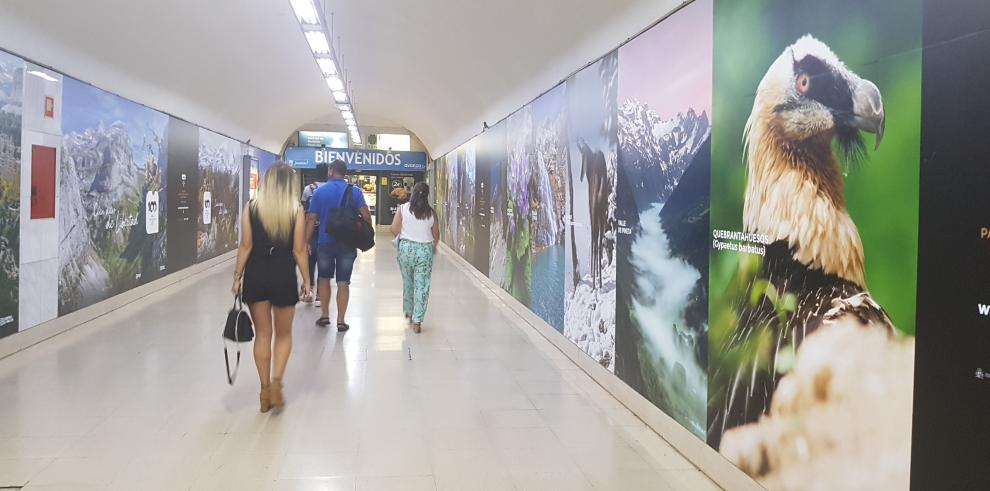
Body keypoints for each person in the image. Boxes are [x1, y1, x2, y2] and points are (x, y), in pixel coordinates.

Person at [232, 163, 311, 413]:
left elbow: (245, 245)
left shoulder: (251, 208)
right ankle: (277, 383)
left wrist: (237, 277)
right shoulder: (295, 210)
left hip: (256, 273)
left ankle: (264, 390)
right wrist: (307, 279)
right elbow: (299, 250)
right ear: (289, 184)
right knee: (284, 334)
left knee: (263, 334)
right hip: (282, 273)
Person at [306, 159, 372, 331]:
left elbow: (311, 218)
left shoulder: (319, 192)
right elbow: (366, 215)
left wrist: (305, 241)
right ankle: (341, 321)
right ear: (345, 173)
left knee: (324, 278)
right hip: (347, 244)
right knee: (343, 282)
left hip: (325, 242)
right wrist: (366, 232)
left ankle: (325, 315)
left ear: (330, 171)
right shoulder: (355, 191)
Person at [389, 182, 439, 333]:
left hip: (406, 250)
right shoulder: (431, 213)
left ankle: (409, 311)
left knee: (408, 282)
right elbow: (436, 235)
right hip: (424, 251)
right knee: (422, 286)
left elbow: (394, 229)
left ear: (414, 193)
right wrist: (433, 247)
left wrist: (406, 233)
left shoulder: (403, 209)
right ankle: (417, 321)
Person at [300, 163, 329, 305]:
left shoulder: (308, 189)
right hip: (326, 230)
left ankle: (308, 289)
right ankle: (320, 295)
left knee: (310, 260)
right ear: (328, 173)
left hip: (311, 229)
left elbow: (304, 210)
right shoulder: (330, 189)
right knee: (323, 261)